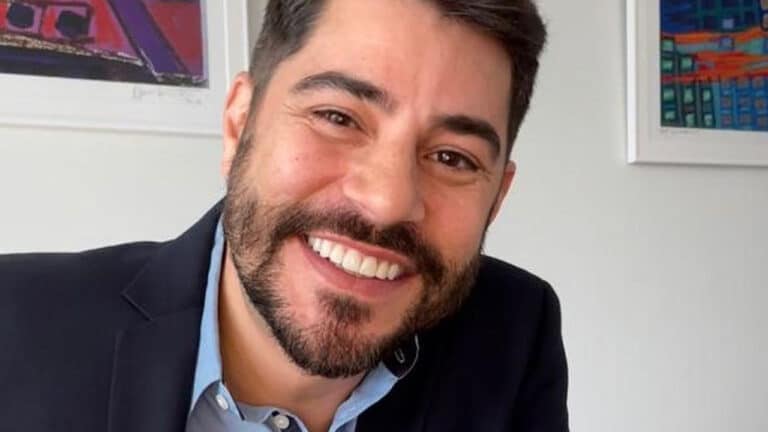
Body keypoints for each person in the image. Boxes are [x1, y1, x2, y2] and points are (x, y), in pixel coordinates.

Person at [0, 0, 568, 431]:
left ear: (497, 198)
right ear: (239, 124)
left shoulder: (513, 332)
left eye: (452, 158)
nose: (387, 202)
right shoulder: (16, 324)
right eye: (338, 118)